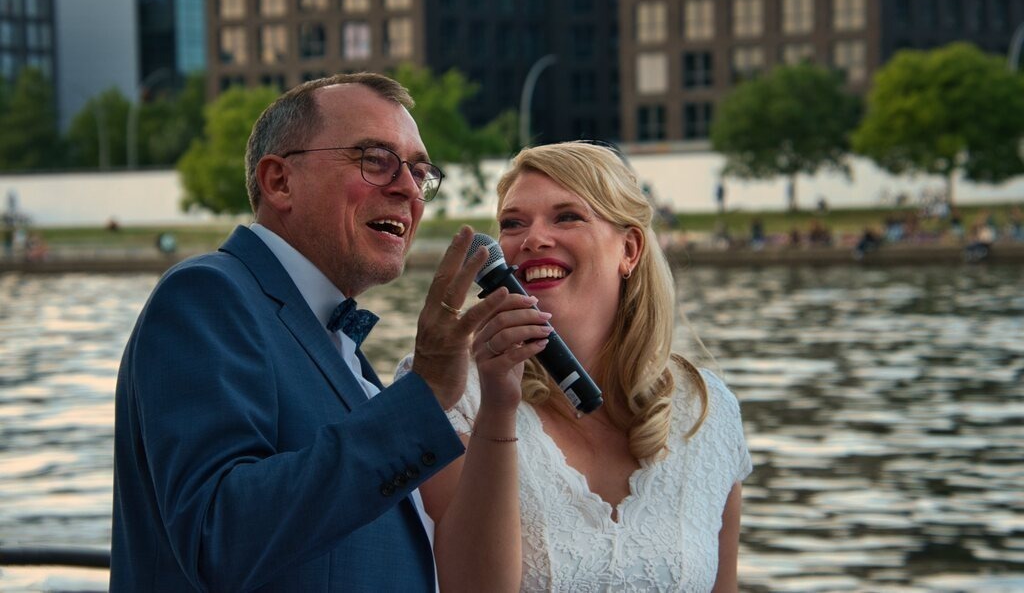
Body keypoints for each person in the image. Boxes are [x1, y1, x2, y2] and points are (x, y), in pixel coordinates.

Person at [109, 72, 540, 591]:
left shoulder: (337, 342)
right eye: (375, 160)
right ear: (279, 181)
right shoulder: (207, 295)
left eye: (420, 172)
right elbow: (218, 536)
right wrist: (421, 396)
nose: (408, 188)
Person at [408, 142, 753, 591]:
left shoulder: (708, 409)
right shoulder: (450, 392)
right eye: (513, 223)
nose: (533, 238)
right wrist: (498, 405)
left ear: (629, 249)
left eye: (566, 216)